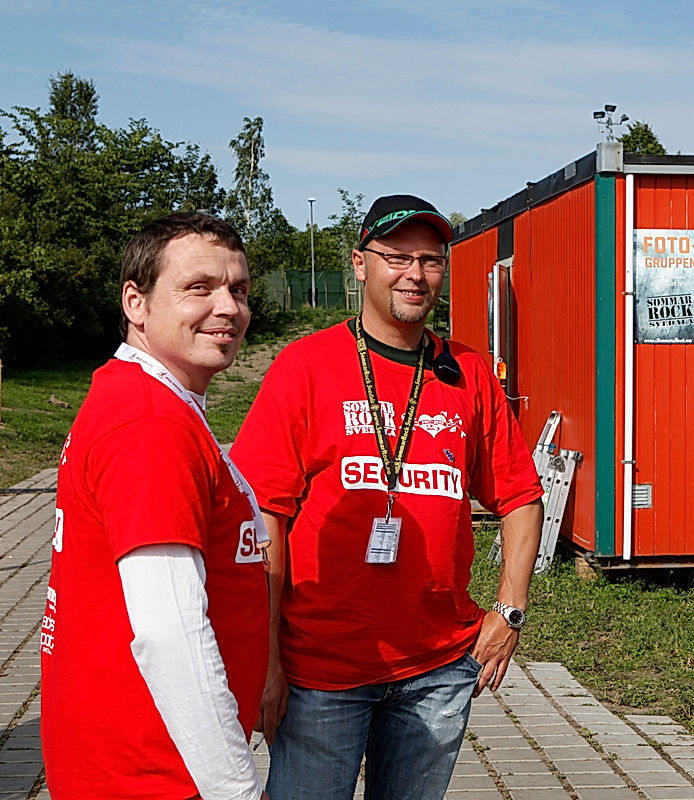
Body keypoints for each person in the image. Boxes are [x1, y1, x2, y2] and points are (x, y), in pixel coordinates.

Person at [230, 194, 544, 800]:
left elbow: (521, 496)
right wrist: (264, 656)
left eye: (430, 260)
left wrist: (509, 610)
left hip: (436, 670)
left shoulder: (469, 371)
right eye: (397, 257)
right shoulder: (306, 367)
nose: (415, 274)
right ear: (358, 263)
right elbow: (263, 514)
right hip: (322, 670)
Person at [41, 212, 270, 799]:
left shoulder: (139, 398)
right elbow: (169, 632)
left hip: (134, 761)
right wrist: (237, 789)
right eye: (200, 288)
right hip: (152, 773)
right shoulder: (149, 424)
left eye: (238, 289)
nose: (228, 308)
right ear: (135, 303)